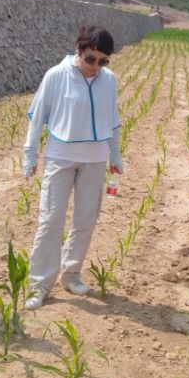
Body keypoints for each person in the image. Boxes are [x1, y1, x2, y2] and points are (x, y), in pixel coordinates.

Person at [22, 26, 123, 309]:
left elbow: (113, 120)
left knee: (85, 220)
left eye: (103, 62)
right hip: (60, 157)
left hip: (95, 159)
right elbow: (37, 118)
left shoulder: (109, 80)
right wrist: (29, 156)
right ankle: (39, 285)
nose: (96, 67)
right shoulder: (56, 76)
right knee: (50, 220)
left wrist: (115, 156)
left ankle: (72, 274)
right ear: (79, 50)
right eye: (91, 59)